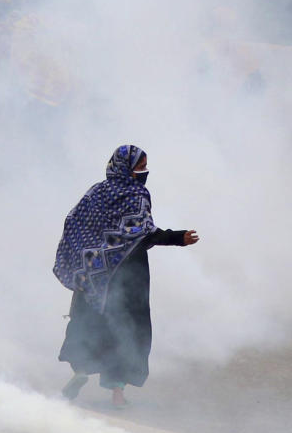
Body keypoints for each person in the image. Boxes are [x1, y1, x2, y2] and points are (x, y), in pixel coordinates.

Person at [53, 145, 199, 408]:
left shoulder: (96, 192)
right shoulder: (137, 194)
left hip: (94, 276)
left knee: (90, 325)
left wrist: (87, 259)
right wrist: (179, 237)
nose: (143, 172)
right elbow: (144, 234)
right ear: (127, 168)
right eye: (139, 167)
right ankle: (117, 395)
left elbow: (73, 223)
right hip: (129, 276)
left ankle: (81, 373)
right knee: (126, 331)